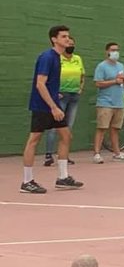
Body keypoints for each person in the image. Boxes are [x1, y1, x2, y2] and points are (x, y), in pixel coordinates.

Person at [20, 24, 85, 195]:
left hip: (52, 103)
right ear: (54, 39)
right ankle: (27, 181)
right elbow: (40, 84)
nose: (68, 39)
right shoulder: (47, 57)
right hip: (42, 106)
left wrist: (56, 96)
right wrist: (54, 106)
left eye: (68, 36)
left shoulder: (58, 57)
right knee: (34, 140)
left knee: (66, 135)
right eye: (64, 36)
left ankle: (62, 178)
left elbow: (49, 84)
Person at [43, 33, 84, 167]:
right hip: (61, 96)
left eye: (72, 44)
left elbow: (82, 75)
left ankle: (64, 155)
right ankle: (48, 155)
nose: (70, 46)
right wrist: (55, 92)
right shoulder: (57, 58)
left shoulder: (77, 59)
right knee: (55, 127)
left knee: (68, 127)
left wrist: (80, 88)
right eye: (68, 44)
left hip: (74, 96)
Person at [92, 41, 124, 163]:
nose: (115, 52)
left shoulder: (121, 66)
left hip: (119, 102)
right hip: (105, 103)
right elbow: (98, 83)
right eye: (113, 50)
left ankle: (117, 153)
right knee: (102, 128)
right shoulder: (102, 66)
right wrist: (114, 81)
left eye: (117, 50)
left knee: (115, 129)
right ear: (107, 52)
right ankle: (97, 154)